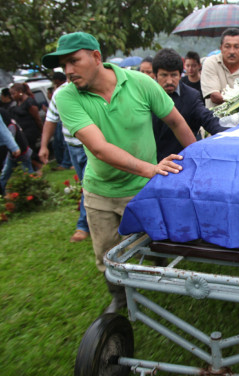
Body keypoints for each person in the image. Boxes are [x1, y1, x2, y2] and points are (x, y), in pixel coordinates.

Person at [41, 32, 196, 314]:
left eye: (74, 61)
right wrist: (151, 168)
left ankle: (163, 271)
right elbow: (99, 148)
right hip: (101, 192)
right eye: (64, 65)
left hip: (144, 191)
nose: (69, 71)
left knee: (158, 241)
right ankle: (120, 297)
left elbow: (176, 121)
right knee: (108, 255)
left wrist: (201, 160)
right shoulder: (66, 96)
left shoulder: (140, 83)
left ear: (96, 57)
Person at [39, 77, 91, 243]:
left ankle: (83, 226)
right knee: (85, 183)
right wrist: (44, 146)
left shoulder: (92, 89)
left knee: (89, 184)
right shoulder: (60, 93)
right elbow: (50, 120)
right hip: (72, 147)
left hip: (91, 146)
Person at [151, 48, 226, 161]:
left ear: (180, 74)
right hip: (150, 163)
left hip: (181, 162)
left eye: (174, 75)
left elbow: (208, 119)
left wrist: (230, 134)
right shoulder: (146, 96)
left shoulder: (191, 97)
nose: (170, 81)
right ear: (156, 75)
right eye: (164, 75)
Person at [201, 27, 239, 109]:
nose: (232, 51)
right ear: (221, 48)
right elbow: (215, 97)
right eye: (227, 46)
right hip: (215, 120)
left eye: (236, 47)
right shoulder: (210, 63)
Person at [9, 83, 43, 170]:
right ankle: (35, 168)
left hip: (30, 130)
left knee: (28, 151)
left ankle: (40, 166)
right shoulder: (18, 102)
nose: (12, 96)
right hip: (22, 131)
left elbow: (37, 118)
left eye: (13, 93)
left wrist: (42, 131)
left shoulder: (29, 102)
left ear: (20, 92)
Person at [0, 109, 33, 192]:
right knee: (5, 175)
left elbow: (6, 134)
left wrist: (13, 147)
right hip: (14, 152)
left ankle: (33, 189)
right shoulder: (11, 124)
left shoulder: (11, 126)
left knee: (27, 172)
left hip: (21, 152)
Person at [49, 72, 73, 170]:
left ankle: (66, 163)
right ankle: (66, 163)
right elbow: (50, 119)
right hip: (69, 134)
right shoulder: (59, 92)